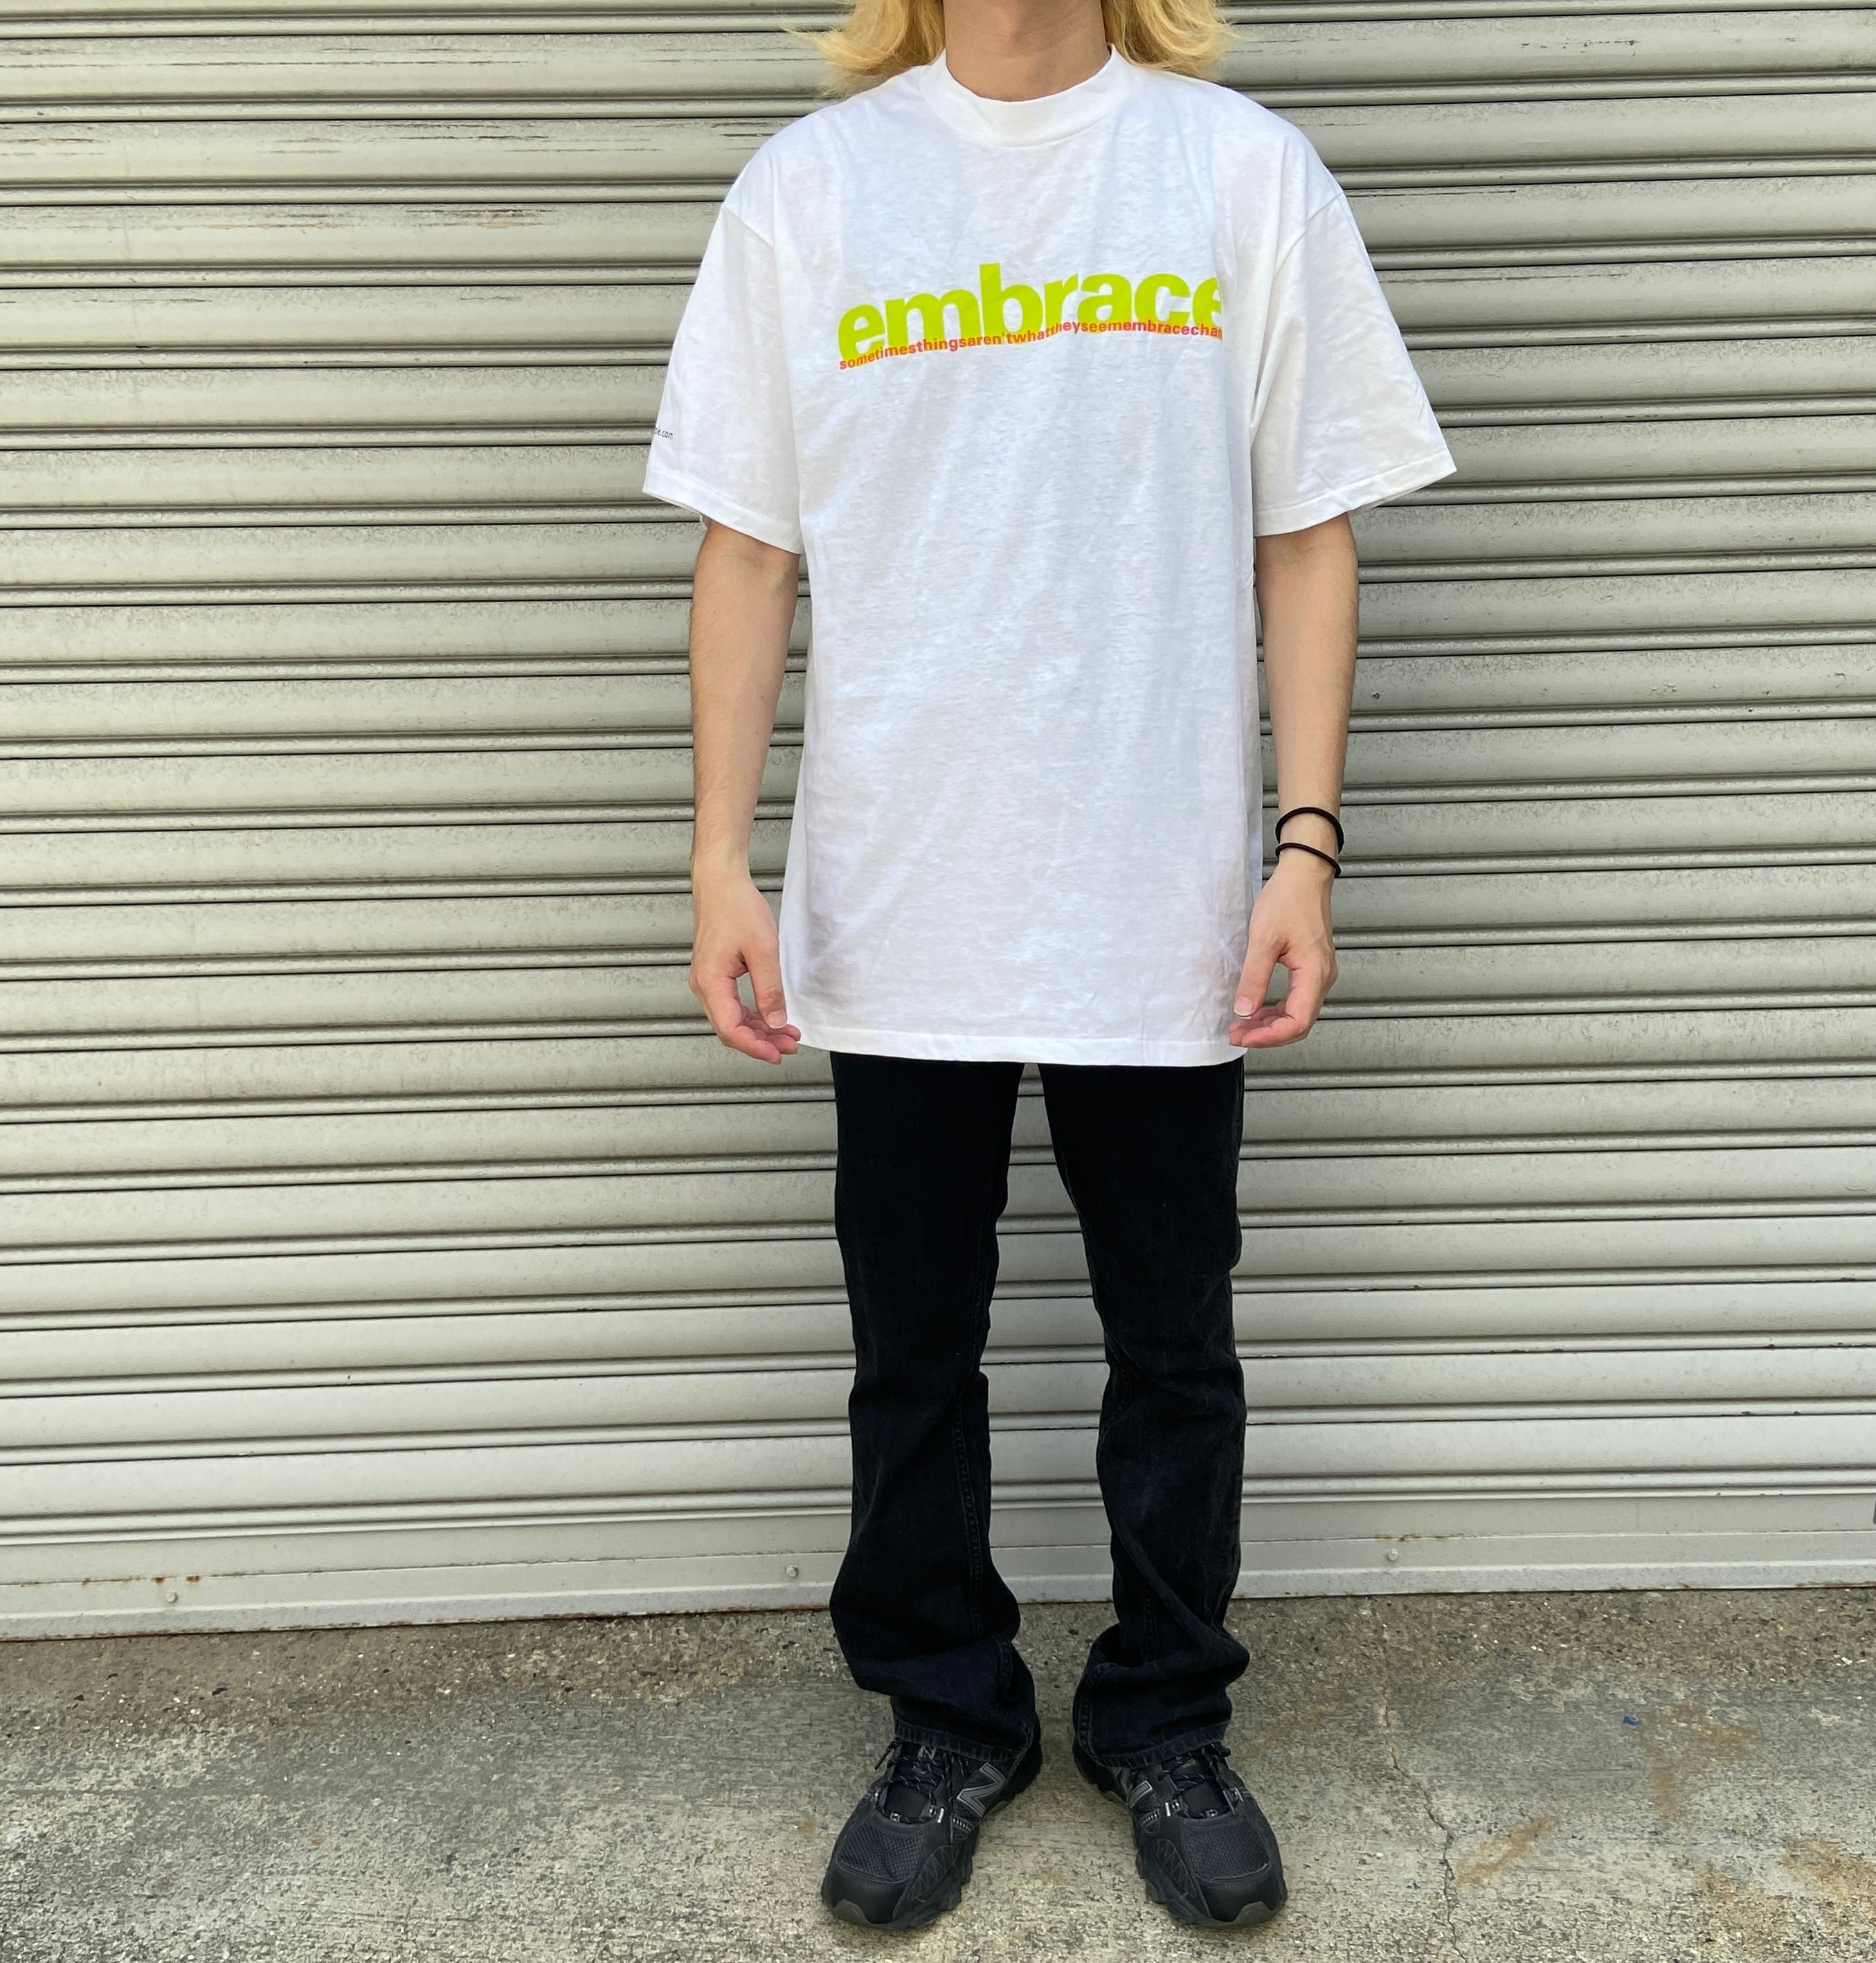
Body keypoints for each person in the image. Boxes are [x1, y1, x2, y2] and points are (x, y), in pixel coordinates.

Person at [644, 0, 1452, 1928]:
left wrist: (1305, 846)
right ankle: (949, 1717)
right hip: (900, 890)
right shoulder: (812, 190)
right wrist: (718, 859)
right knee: (911, 1348)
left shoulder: (1236, 174)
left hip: (1159, 897)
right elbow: (746, 550)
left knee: (1173, 1343)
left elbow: (1309, 535)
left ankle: (1165, 1717)